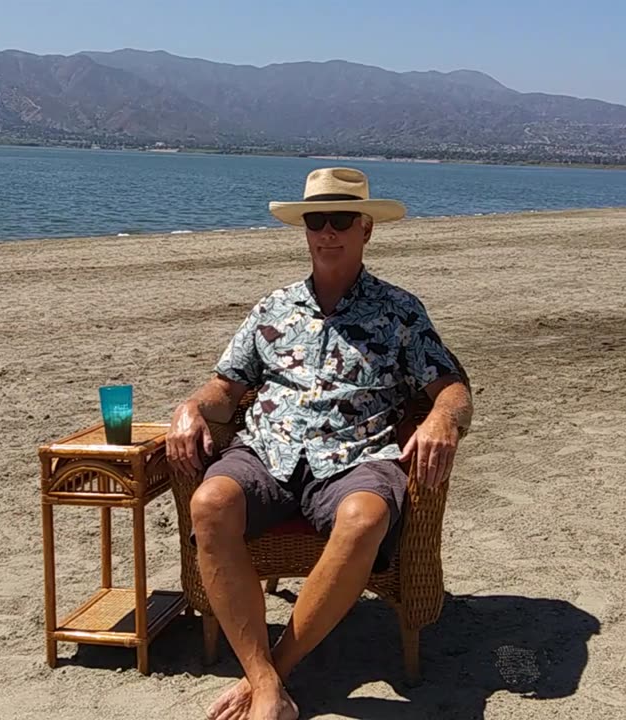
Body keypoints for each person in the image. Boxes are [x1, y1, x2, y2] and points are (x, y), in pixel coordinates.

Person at [166, 167, 474, 720]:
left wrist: (442, 420)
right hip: (268, 451)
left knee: (363, 517)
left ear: (365, 229)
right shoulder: (274, 308)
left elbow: (451, 387)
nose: (327, 231)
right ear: (305, 229)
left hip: (357, 455)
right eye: (316, 220)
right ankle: (265, 682)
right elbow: (225, 388)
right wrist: (190, 408)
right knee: (209, 503)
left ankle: (272, 677)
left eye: (340, 219)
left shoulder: (400, 311)